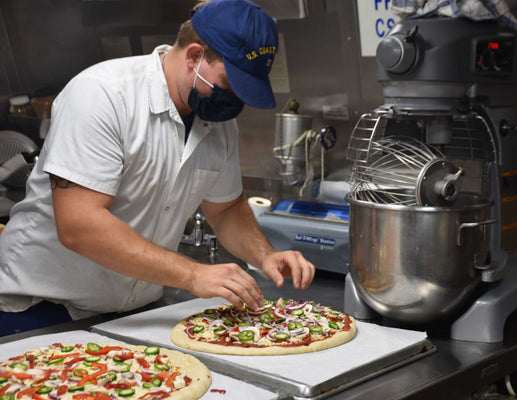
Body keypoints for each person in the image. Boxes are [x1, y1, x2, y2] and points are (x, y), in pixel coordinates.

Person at [0, 0, 315, 337]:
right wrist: (194, 274)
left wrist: (265, 255)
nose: (236, 99)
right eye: (230, 83)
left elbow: (225, 209)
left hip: (134, 312)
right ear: (193, 57)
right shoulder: (102, 95)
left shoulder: (216, 121)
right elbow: (80, 225)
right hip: (42, 310)